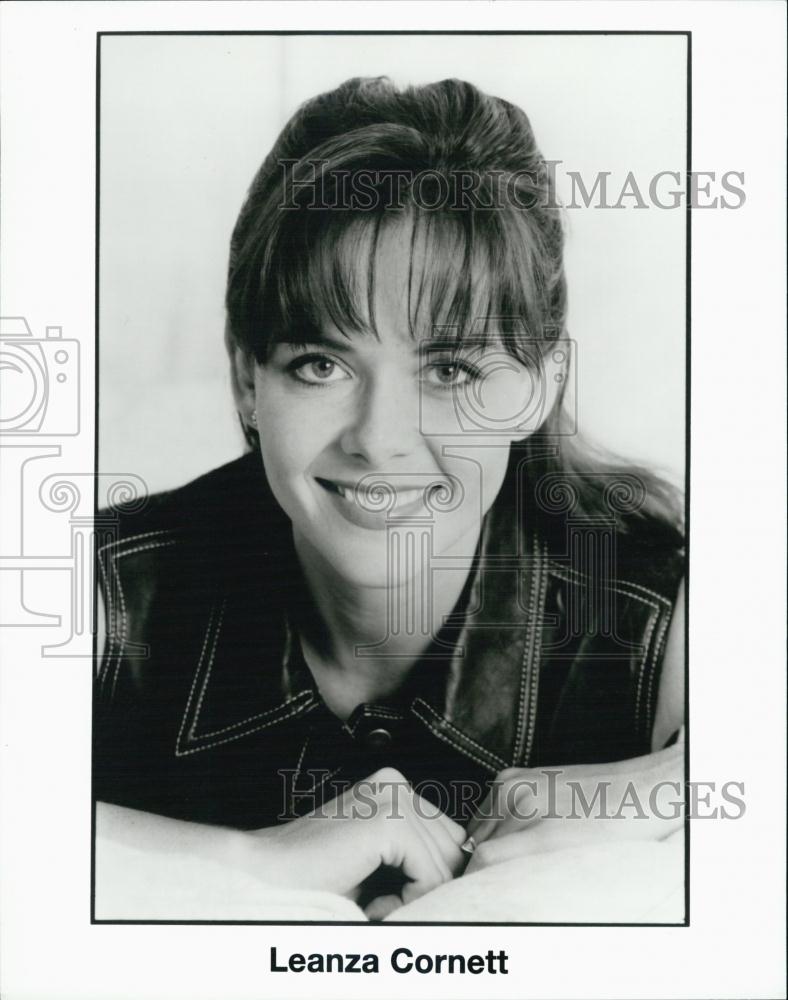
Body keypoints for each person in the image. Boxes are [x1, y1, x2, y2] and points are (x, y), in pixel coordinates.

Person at [94, 76, 685, 919]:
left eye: (450, 371)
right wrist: (247, 863)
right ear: (246, 381)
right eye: (321, 364)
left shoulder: (658, 611)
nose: (379, 437)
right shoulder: (104, 595)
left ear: (541, 385)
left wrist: (679, 785)